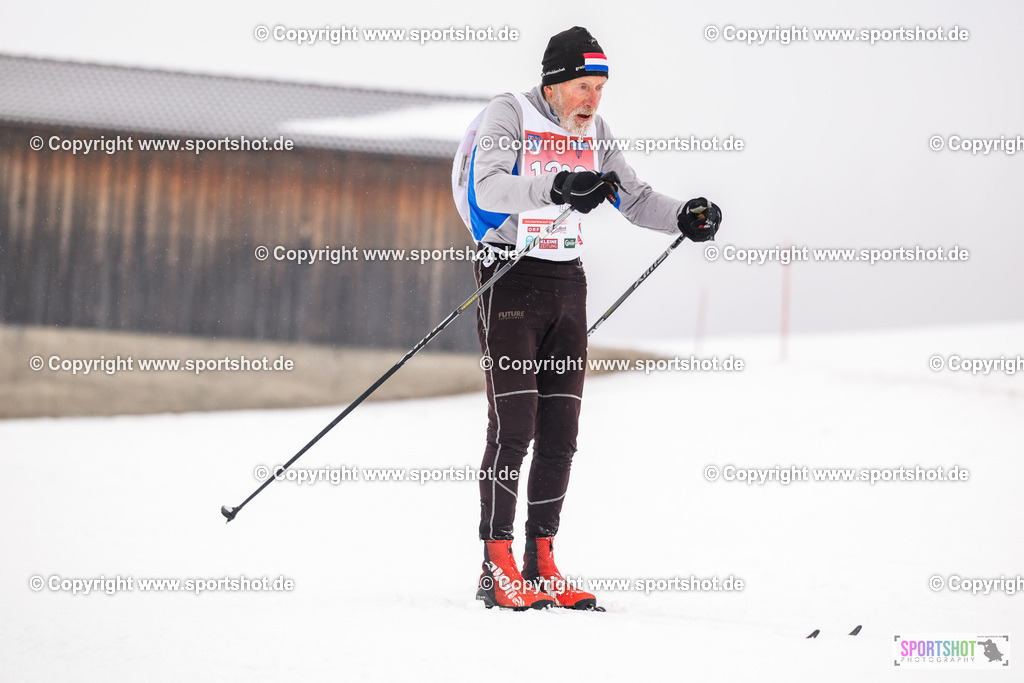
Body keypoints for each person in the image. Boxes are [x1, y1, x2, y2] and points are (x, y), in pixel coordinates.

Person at [459, 26, 722, 611]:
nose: (592, 100)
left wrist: (686, 215)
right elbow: (491, 186)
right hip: (511, 275)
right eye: (583, 86)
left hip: (565, 281)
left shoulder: (596, 132)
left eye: (600, 88)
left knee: (561, 431)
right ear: (554, 84)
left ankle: (541, 561)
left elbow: (634, 198)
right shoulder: (511, 113)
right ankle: (495, 562)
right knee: (515, 424)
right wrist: (558, 185)